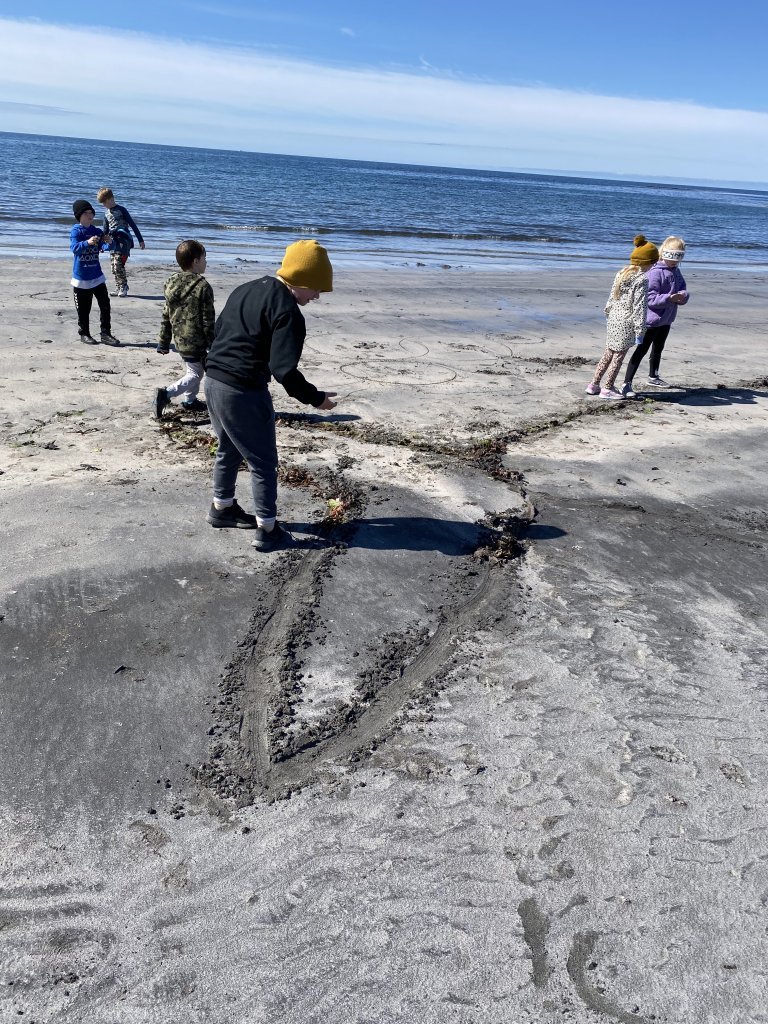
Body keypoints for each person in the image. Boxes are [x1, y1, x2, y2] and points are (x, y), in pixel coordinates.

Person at [203, 239, 337, 551]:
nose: (317, 296)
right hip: (243, 390)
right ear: (301, 279)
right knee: (263, 461)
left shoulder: (247, 288)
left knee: (228, 447)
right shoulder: (288, 312)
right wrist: (316, 399)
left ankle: (221, 508)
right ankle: (267, 529)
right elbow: (284, 371)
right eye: (317, 288)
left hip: (213, 381)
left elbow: (219, 332)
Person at [585, 235, 658, 400]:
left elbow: (612, 296)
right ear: (648, 262)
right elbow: (640, 306)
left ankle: (593, 385)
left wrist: (608, 313)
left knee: (608, 352)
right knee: (618, 357)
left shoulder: (622, 272)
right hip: (627, 322)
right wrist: (640, 330)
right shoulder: (642, 279)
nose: (653, 266)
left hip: (613, 319)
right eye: (653, 263)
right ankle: (607, 388)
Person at [621, 236, 689, 395]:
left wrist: (682, 296)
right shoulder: (655, 273)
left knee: (658, 348)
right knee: (642, 349)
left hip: (666, 319)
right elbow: (649, 299)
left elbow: (683, 288)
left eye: (679, 258)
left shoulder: (676, 271)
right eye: (673, 258)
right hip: (651, 321)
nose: (675, 262)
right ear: (664, 254)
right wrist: (668, 298)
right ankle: (627, 382)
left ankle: (653, 376)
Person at [154, 240, 214, 417]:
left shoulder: (171, 282)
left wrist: (163, 342)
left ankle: (190, 401)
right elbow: (207, 319)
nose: (206, 262)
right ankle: (166, 394)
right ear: (195, 261)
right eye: (204, 258)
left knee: (194, 370)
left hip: (179, 338)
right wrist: (213, 344)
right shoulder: (203, 286)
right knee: (195, 374)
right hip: (196, 340)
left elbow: (166, 313)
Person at [69, 199, 120, 346]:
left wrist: (109, 242)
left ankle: (106, 334)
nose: (90, 215)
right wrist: (87, 243)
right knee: (84, 310)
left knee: (105, 305)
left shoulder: (97, 231)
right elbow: (74, 248)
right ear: (80, 215)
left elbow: (105, 246)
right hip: (81, 278)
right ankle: (84, 333)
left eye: (91, 212)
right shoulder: (76, 231)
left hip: (97, 276)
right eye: (87, 213)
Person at [96, 187, 145, 298]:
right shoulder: (106, 214)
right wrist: (100, 244)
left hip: (124, 240)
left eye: (104, 202)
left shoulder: (121, 210)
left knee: (118, 264)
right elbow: (105, 231)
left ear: (111, 198)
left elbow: (132, 224)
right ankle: (119, 286)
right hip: (112, 242)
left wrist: (140, 240)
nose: (103, 205)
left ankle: (124, 286)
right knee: (113, 267)